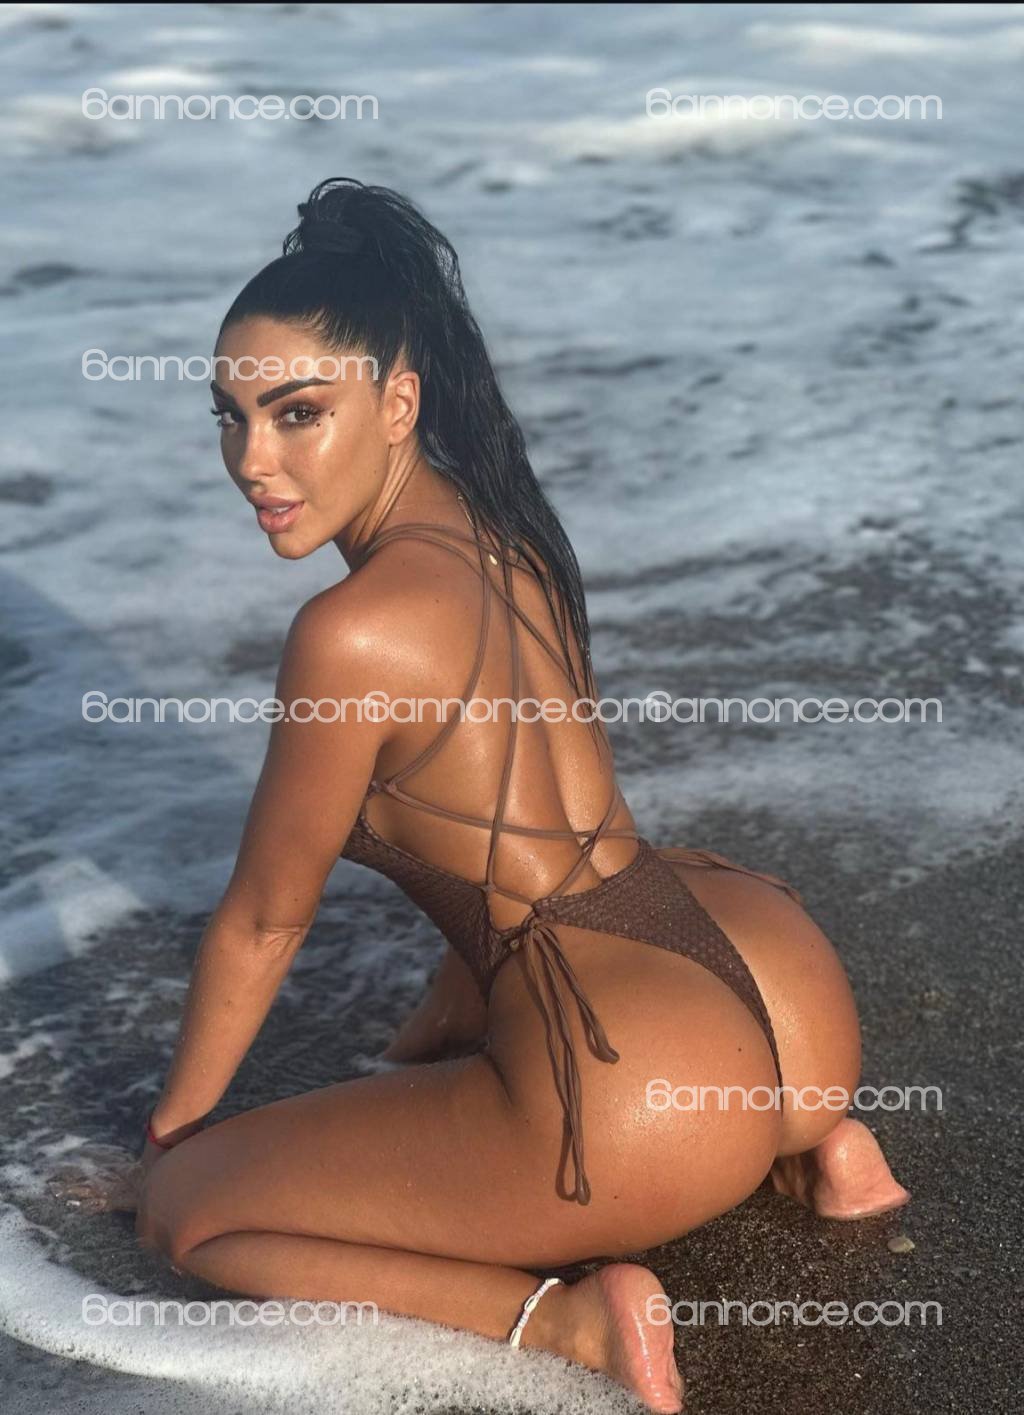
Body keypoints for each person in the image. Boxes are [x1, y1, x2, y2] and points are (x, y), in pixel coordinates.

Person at [130, 179, 908, 1412]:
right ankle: (811, 1147)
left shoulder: (349, 631)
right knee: (542, 918)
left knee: (190, 1216)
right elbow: (505, 853)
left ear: (397, 402)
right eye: (229, 416)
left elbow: (266, 920)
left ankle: (568, 1323)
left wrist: (174, 1140)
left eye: (297, 413)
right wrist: (412, 1054)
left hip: (637, 1093)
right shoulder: (506, 526)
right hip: (775, 994)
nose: (252, 461)